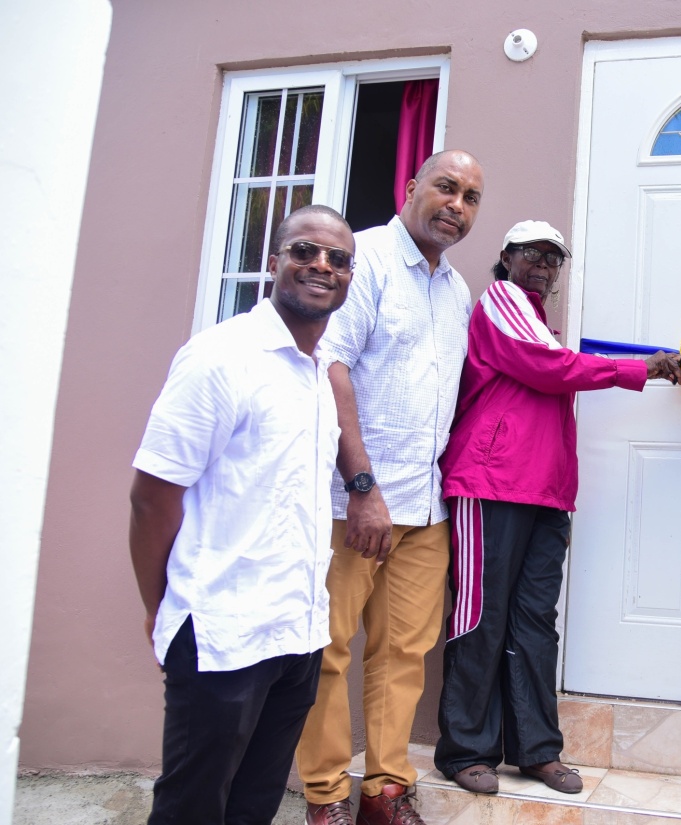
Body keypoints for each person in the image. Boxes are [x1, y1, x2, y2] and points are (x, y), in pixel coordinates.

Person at [433, 220, 680, 796]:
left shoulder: (539, 321)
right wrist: (639, 368)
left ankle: (536, 751)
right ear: (507, 258)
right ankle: (466, 751)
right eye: (532, 255)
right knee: (479, 616)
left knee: (534, 623)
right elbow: (549, 367)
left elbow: (557, 360)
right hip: (490, 483)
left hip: (544, 491)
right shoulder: (502, 300)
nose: (543, 267)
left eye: (554, 259)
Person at [129, 204, 354, 824]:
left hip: (297, 632)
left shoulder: (317, 373)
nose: (322, 266)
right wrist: (162, 606)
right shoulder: (220, 358)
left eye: (338, 258)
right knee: (192, 807)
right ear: (273, 262)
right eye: (305, 251)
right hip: (221, 634)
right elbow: (151, 496)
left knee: (254, 807)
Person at [297, 150, 484, 825]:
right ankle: (323, 795)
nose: (457, 205)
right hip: (353, 503)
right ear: (411, 187)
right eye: (445, 187)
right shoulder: (368, 258)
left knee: (403, 653)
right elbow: (332, 366)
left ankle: (383, 789)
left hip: (424, 506)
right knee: (327, 648)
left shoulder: (457, 288)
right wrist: (362, 484)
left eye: (470, 196)